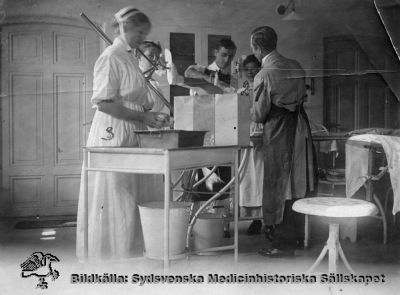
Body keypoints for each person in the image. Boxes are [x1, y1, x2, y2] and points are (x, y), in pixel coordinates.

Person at [76, 7, 168, 261]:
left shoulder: (128, 57)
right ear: (125, 27)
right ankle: (110, 257)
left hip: (132, 128)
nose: (142, 38)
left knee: (132, 194)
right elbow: (104, 102)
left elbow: (137, 98)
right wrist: (142, 116)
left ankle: (131, 253)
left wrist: (151, 114)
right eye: (140, 32)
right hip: (112, 131)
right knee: (116, 196)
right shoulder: (111, 57)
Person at [249, 26, 317, 256]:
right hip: (300, 128)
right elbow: (301, 98)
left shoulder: (264, 74)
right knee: (296, 183)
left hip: (278, 130)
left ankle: (278, 242)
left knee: (277, 184)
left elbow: (259, 114)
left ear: (257, 48)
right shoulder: (295, 65)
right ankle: (297, 236)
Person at [238, 54, 264, 235]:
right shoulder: (241, 92)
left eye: (254, 68)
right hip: (246, 138)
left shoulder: (265, 88)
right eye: (247, 69)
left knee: (262, 178)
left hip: (263, 138)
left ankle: (263, 219)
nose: (251, 72)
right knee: (247, 179)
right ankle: (251, 217)